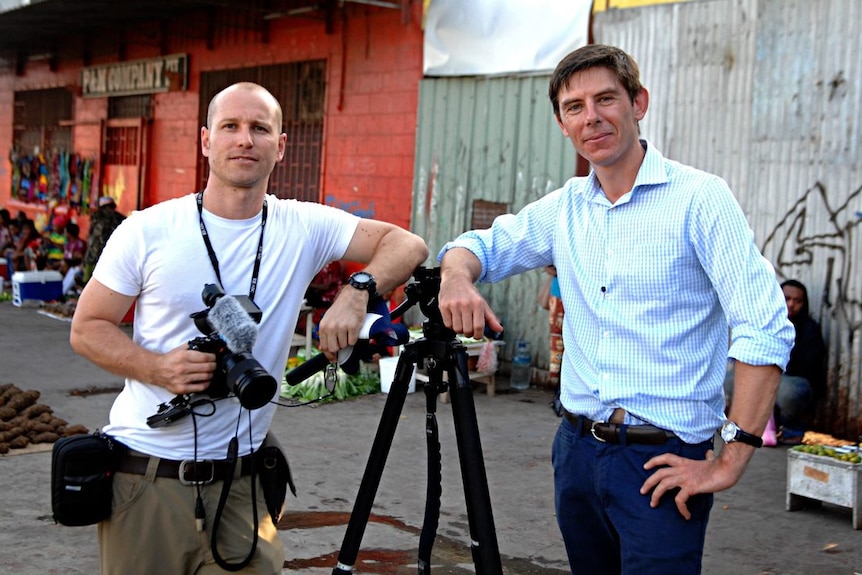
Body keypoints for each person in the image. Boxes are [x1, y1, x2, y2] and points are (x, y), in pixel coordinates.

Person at [436, 44, 794, 575]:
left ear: (638, 102)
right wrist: (455, 277)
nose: (592, 117)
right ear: (562, 123)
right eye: (574, 106)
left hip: (660, 460)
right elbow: (481, 246)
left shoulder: (699, 199)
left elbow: (763, 327)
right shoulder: (566, 208)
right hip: (576, 452)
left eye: (606, 98)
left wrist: (729, 459)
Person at [69, 81, 428, 574]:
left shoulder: (302, 226)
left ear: (279, 146)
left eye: (260, 128)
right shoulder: (148, 230)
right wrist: (158, 368)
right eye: (230, 127)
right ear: (205, 140)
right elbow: (87, 327)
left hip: (243, 486)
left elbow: (407, 245)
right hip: (146, 479)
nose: (244, 140)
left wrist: (357, 290)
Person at [726, 279, 827, 445]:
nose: (791, 304)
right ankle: (744, 426)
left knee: (787, 390)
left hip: (793, 380)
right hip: (764, 373)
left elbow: (807, 367)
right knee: (731, 379)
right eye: (786, 298)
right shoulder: (765, 322)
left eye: (797, 301)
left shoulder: (809, 329)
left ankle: (790, 428)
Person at [537, 265, 565, 416]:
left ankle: (561, 398)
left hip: (568, 308)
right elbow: (543, 302)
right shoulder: (555, 281)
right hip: (557, 317)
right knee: (560, 357)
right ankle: (559, 398)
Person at [81, 195, 125, 282]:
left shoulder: (96, 217)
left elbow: (92, 240)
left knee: (88, 283)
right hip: (113, 259)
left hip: (94, 257)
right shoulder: (121, 218)